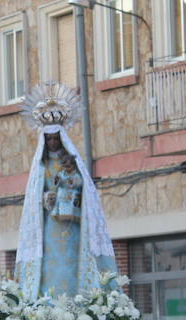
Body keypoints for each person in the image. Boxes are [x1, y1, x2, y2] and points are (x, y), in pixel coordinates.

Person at [13, 115, 114, 300]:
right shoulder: (40, 166)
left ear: (61, 139)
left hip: (72, 223)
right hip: (50, 224)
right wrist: (46, 198)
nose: (52, 142)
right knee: (49, 264)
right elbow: (34, 197)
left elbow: (85, 188)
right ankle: (47, 302)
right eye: (49, 139)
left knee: (72, 261)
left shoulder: (73, 163)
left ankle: (79, 299)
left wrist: (75, 190)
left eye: (55, 138)